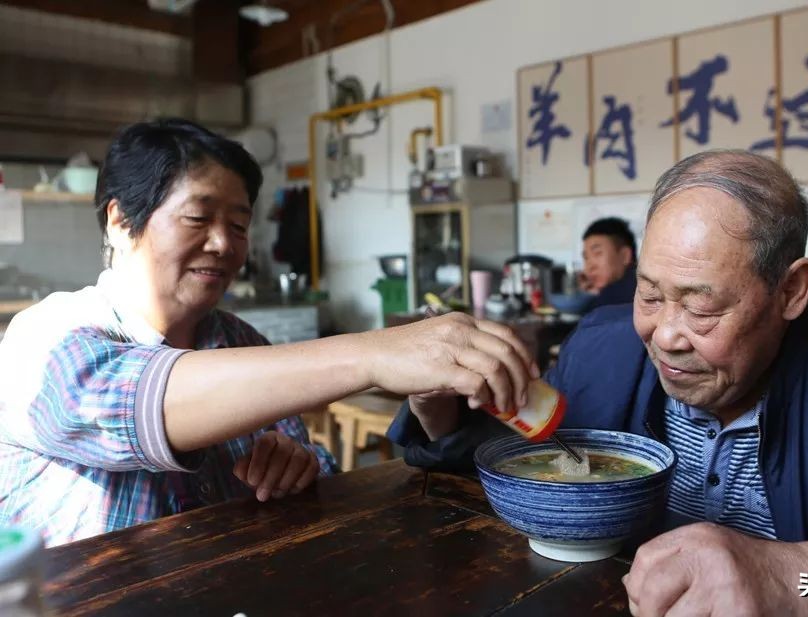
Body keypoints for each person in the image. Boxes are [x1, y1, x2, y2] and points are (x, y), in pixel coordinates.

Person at [389, 150, 808, 616]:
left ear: (791, 290)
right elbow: (514, 469)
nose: (664, 336)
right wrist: (442, 414)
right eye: (649, 295)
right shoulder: (603, 348)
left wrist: (801, 579)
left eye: (701, 307)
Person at [0, 118, 535, 547]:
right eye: (198, 218)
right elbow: (138, 402)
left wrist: (297, 466)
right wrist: (372, 354)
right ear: (120, 221)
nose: (223, 244)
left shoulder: (240, 340)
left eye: (238, 225)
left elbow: (312, 465)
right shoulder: (44, 337)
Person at [578, 216, 637, 310]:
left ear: (624, 256)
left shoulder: (611, 298)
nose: (589, 267)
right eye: (586, 258)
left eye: (597, 253)